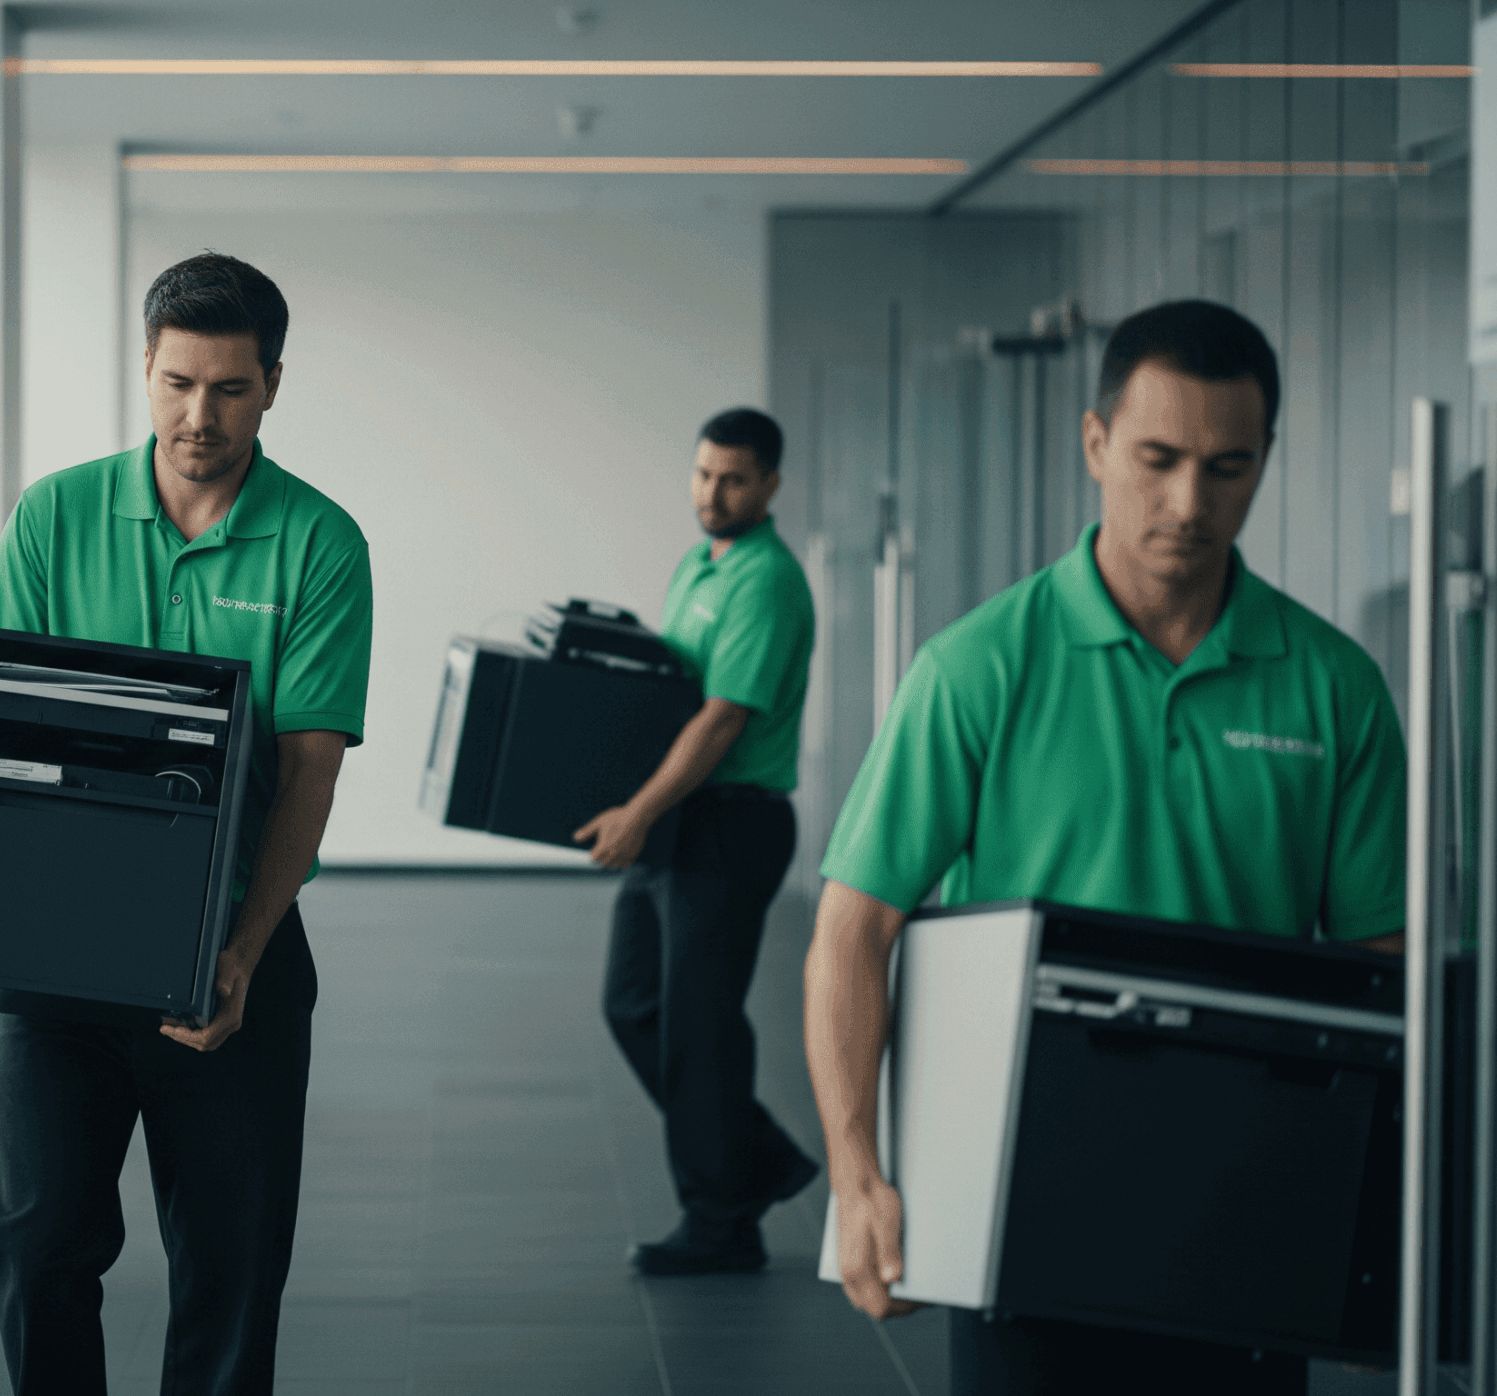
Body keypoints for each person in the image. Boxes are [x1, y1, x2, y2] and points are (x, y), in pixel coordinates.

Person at [806, 300, 1405, 1395]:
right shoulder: (976, 667)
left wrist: (1371, 1217)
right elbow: (855, 925)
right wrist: (859, 1178)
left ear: (1265, 457)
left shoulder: (1335, 688)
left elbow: (1382, 961)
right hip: (1022, 1194)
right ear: (1094, 445)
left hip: (1249, 1200)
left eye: (1227, 465)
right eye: (1156, 458)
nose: (1188, 502)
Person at [0, 252, 372, 1395]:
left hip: (228, 955)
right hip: (57, 961)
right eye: (176, 384)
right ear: (144, 367)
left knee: (230, 1270)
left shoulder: (319, 541)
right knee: (34, 1242)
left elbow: (307, 774)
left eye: (230, 390)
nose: (197, 416)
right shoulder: (57, 514)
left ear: (272, 385)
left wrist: (244, 956)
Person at [573, 407, 820, 1276]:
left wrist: (637, 811)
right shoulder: (700, 563)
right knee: (635, 1003)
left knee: (700, 1024)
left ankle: (722, 1220)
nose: (712, 493)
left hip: (731, 819)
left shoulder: (767, 581)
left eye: (734, 479)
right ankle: (761, 1162)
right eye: (703, 474)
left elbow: (721, 719)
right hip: (682, 817)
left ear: (771, 486)